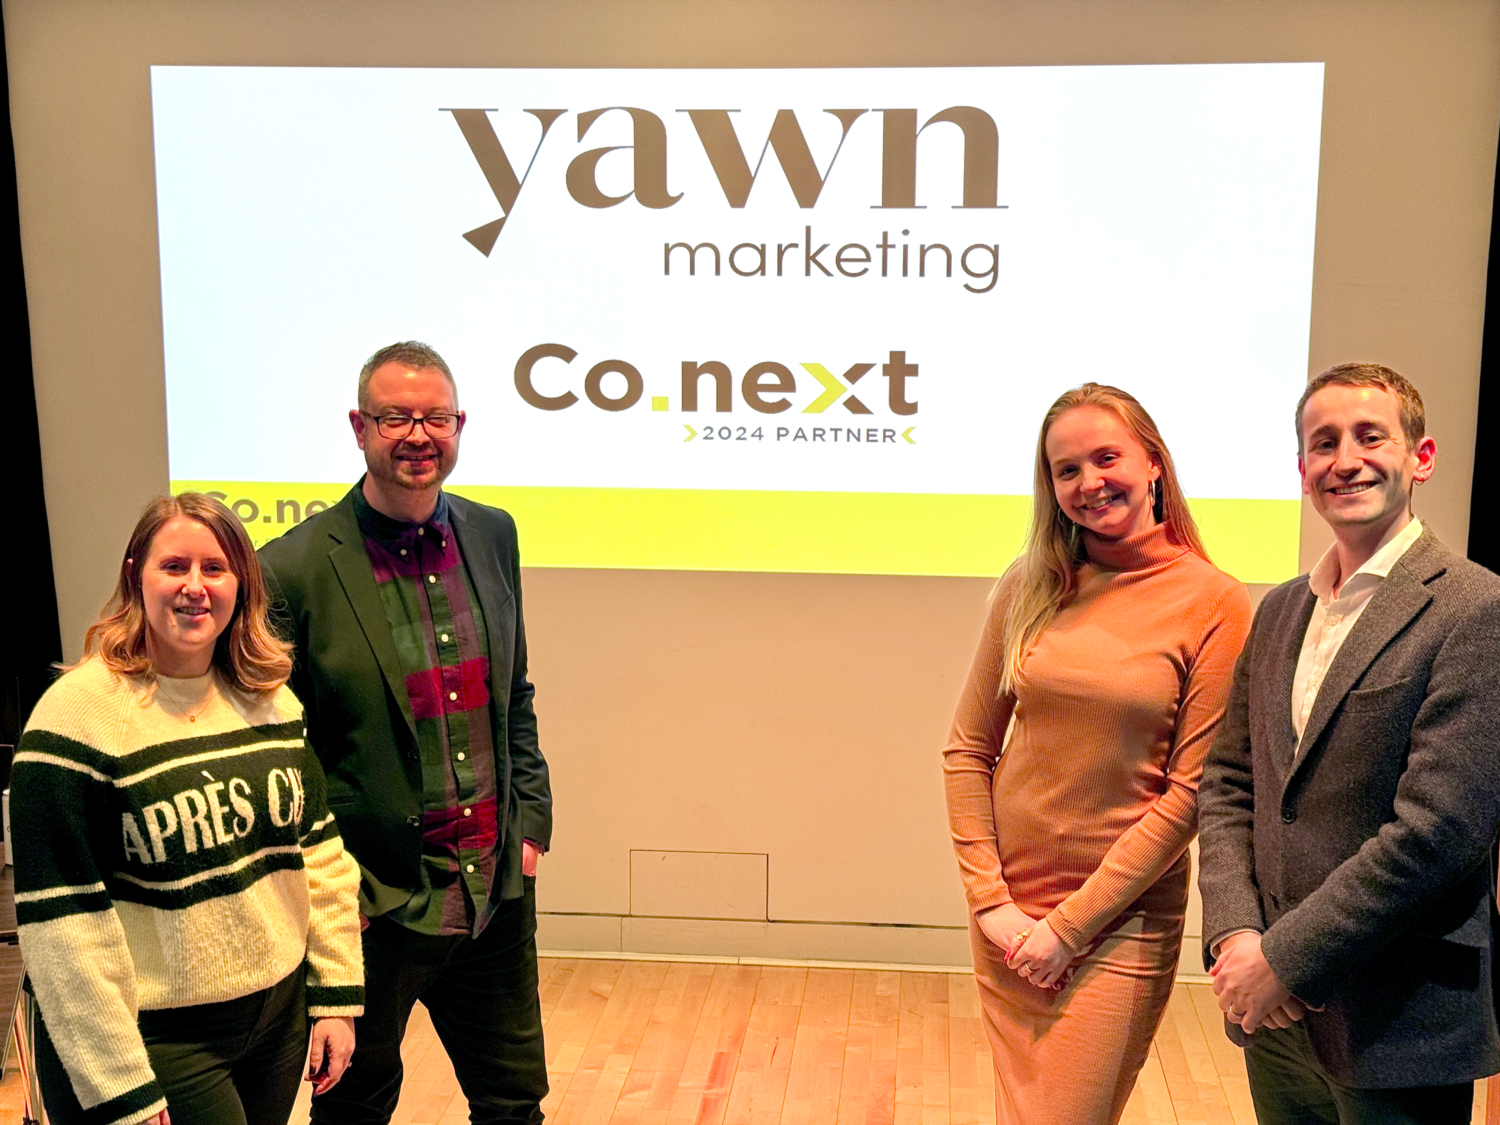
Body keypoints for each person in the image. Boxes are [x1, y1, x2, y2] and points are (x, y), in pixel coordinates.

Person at [1198, 363, 1500, 1124]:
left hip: (1396, 1021)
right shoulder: (1278, 611)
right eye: (1323, 442)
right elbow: (1230, 781)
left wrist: (1283, 960)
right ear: (1302, 469)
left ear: (1420, 458)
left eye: (1371, 436)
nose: (1345, 459)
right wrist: (1236, 933)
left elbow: (1440, 831)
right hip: (1273, 1017)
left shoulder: (1475, 607)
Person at [258, 341, 552, 1124]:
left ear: (460, 426)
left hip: (491, 892)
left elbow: (514, 693)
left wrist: (530, 822)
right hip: (372, 905)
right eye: (396, 418)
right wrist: (331, 888)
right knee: (355, 1107)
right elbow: (283, 751)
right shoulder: (293, 568)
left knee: (514, 1103)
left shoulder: (494, 533)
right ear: (360, 427)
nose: (418, 435)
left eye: (435, 418)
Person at [943, 382, 1252, 1124]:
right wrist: (991, 902)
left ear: (1153, 464)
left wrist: (1069, 928)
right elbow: (966, 750)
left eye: (1107, 457)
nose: (1090, 482)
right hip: (1010, 919)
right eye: (1067, 469)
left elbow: (1189, 796)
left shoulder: (1216, 601)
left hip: (1117, 925)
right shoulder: (1029, 585)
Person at [13, 492, 364, 1125]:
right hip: (157, 1037)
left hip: (277, 1022)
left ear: (242, 583)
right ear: (135, 575)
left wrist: (335, 994)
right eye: (174, 566)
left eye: (215, 568)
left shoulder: (270, 701)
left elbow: (319, 856)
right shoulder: (74, 718)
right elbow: (63, 923)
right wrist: (118, 1081)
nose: (195, 587)